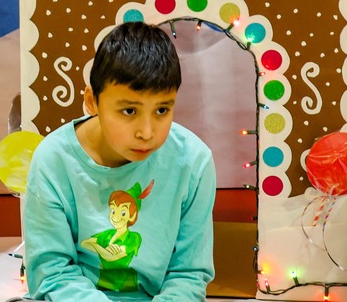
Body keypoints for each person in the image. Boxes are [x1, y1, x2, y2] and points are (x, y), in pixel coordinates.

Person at [22, 21, 216, 301]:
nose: (146, 132)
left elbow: (189, 274)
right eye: (128, 110)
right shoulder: (53, 160)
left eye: (162, 109)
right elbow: (52, 274)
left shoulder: (194, 162)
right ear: (92, 101)